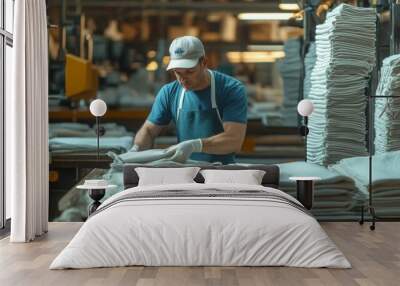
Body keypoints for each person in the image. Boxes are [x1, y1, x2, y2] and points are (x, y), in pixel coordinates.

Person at [131, 36, 247, 164]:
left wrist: (195, 145)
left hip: (221, 173)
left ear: (203, 62)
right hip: (185, 173)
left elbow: (234, 141)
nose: (182, 79)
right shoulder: (169, 92)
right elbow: (148, 130)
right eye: (177, 72)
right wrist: (136, 152)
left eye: (189, 72)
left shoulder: (230, 89)